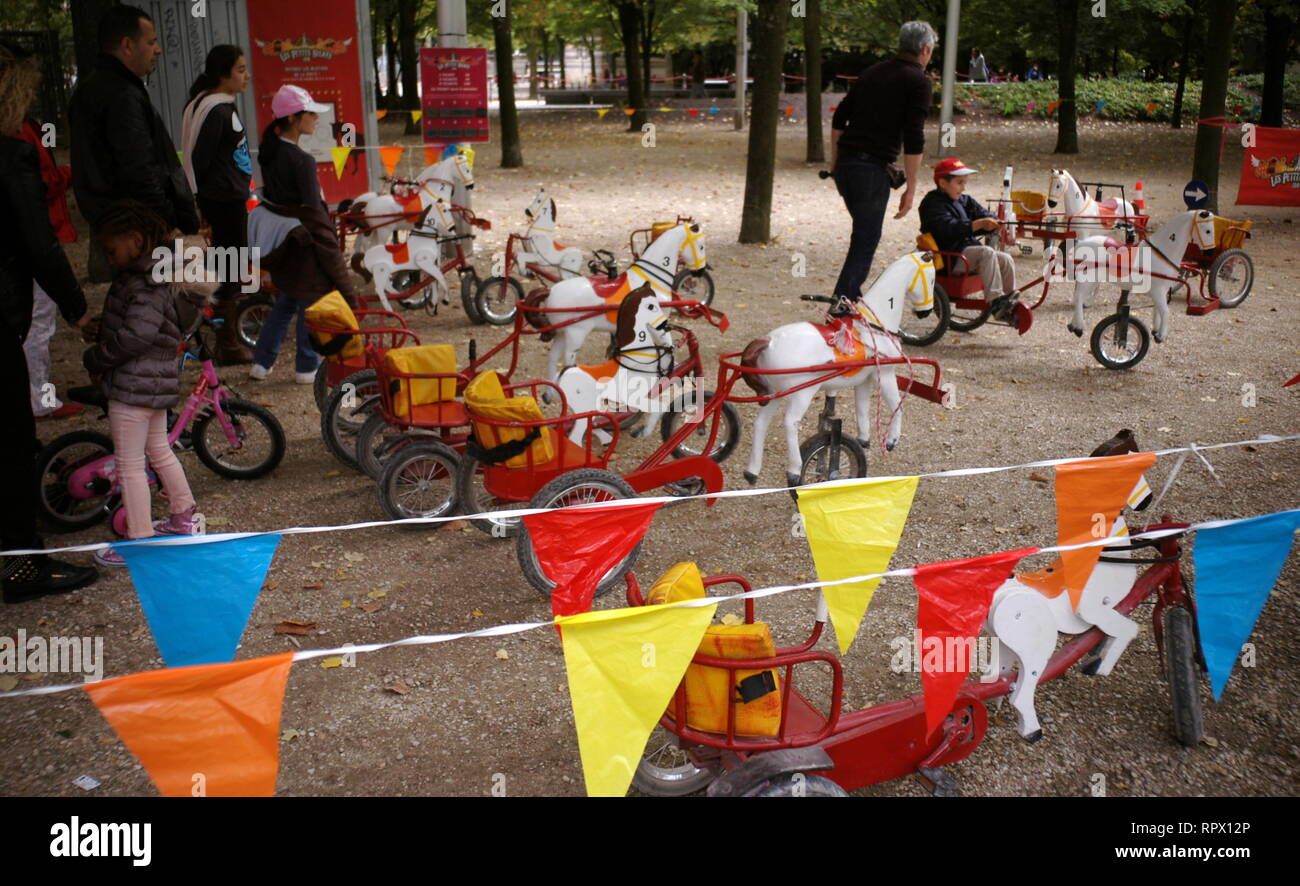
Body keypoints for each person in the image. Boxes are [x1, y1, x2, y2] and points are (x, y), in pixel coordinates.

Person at [0, 44, 98, 602]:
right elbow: (37, 245)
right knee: (11, 438)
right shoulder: (10, 156)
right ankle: (22, 564)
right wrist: (77, 308)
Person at [82, 202, 208, 567]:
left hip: (132, 386)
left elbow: (137, 335)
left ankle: (139, 541)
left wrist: (98, 356)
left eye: (112, 249)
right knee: (158, 449)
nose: (109, 258)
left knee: (129, 465)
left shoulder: (144, 279)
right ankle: (184, 518)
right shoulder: (159, 275)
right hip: (154, 384)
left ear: (135, 240)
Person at [69, 4, 199, 283]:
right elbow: (140, 169)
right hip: (144, 234)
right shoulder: (121, 96)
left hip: (127, 230)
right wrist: (167, 226)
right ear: (127, 45)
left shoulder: (95, 90)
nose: (158, 49)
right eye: (151, 42)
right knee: (158, 309)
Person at [248, 85, 358, 384]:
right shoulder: (301, 160)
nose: (316, 119)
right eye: (311, 114)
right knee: (309, 303)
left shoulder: (270, 153)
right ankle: (307, 367)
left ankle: (262, 362)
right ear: (295, 118)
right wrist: (331, 249)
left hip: (286, 241)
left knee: (287, 301)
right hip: (306, 242)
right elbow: (313, 211)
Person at [3, 40, 84, 421]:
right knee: (40, 322)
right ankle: (39, 397)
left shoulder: (28, 127)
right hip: (33, 237)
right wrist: (69, 175)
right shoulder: (17, 135)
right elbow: (39, 185)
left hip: (41, 229)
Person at [829, 21, 936, 306]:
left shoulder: (872, 72)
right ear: (925, 49)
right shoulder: (919, 82)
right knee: (865, 239)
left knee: (864, 235)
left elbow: (839, 117)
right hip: (870, 173)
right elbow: (914, 140)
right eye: (931, 51)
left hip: (847, 169)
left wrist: (835, 163)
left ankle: (852, 299)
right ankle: (841, 307)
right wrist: (911, 189)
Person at [180, 44, 255, 365]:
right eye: (240, 69)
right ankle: (227, 344)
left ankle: (222, 335)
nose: (246, 75)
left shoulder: (218, 104)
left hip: (229, 197)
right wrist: (200, 203)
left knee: (228, 266)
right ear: (222, 74)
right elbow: (200, 159)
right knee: (230, 267)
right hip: (223, 201)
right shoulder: (214, 110)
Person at [918, 158, 1019, 321]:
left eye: (964, 182)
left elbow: (983, 213)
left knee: (1005, 259)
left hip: (968, 254)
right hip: (950, 257)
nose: (963, 187)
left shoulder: (964, 200)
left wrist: (994, 222)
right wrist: (976, 225)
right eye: (959, 183)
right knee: (986, 252)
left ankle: (1010, 300)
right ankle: (996, 301)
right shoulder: (931, 204)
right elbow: (947, 228)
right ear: (943, 183)